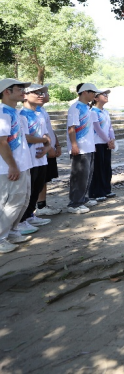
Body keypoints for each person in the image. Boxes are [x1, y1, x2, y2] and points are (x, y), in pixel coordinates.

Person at [0, 79, 34, 253]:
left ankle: (12, 231)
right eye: (19, 89)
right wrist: (12, 165)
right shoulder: (2, 113)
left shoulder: (16, 112)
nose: (23, 92)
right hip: (10, 167)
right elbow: (2, 142)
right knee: (11, 203)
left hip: (23, 165)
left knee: (23, 200)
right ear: (7, 91)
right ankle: (1, 238)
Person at [18, 84, 53, 232]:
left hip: (41, 157)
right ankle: (21, 220)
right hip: (28, 159)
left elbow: (46, 135)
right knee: (28, 190)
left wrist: (47, 147)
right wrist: (44, 141)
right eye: (36, 93)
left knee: (37, 187)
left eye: (41, 93)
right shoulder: (21, 115)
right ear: (25, 95)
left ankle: (30, 215)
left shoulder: (39, 114)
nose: (40, 95)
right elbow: (26, 137)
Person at [66, 83, 99, 214]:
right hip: (80, 148)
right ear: (85, 92)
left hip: (89, 147)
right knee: (79, 176)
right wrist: (74, 144)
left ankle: (83, 199)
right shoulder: (75, 108)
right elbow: (71, 128)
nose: (94, 95)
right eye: (93, 93)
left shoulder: (87, 107)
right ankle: (74, 203)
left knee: (87, 175)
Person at [35, 85, 62, 216]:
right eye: (41, 93)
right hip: (42, 150)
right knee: (40, 179)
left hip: (48, 147)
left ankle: (42, 204)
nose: (45, 95)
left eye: (44, 93)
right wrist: (48, 148)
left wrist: (57, 145)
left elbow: (49, 131)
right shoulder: (34, 112)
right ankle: (39, 206)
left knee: (44, 178)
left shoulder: (42, 110)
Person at [89, 89, 116, 200]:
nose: (106, 96)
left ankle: (106, 189)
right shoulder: (93, 112)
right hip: (97, 143)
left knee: (106, 167)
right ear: (96, 98)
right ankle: (97, 192)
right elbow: (97, 129)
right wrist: (108, 140)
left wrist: (112, 139)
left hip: (106, 143)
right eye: (103, 94)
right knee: (98, 168)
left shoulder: (105, 112)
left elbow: (110, 127)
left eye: (106, 94)